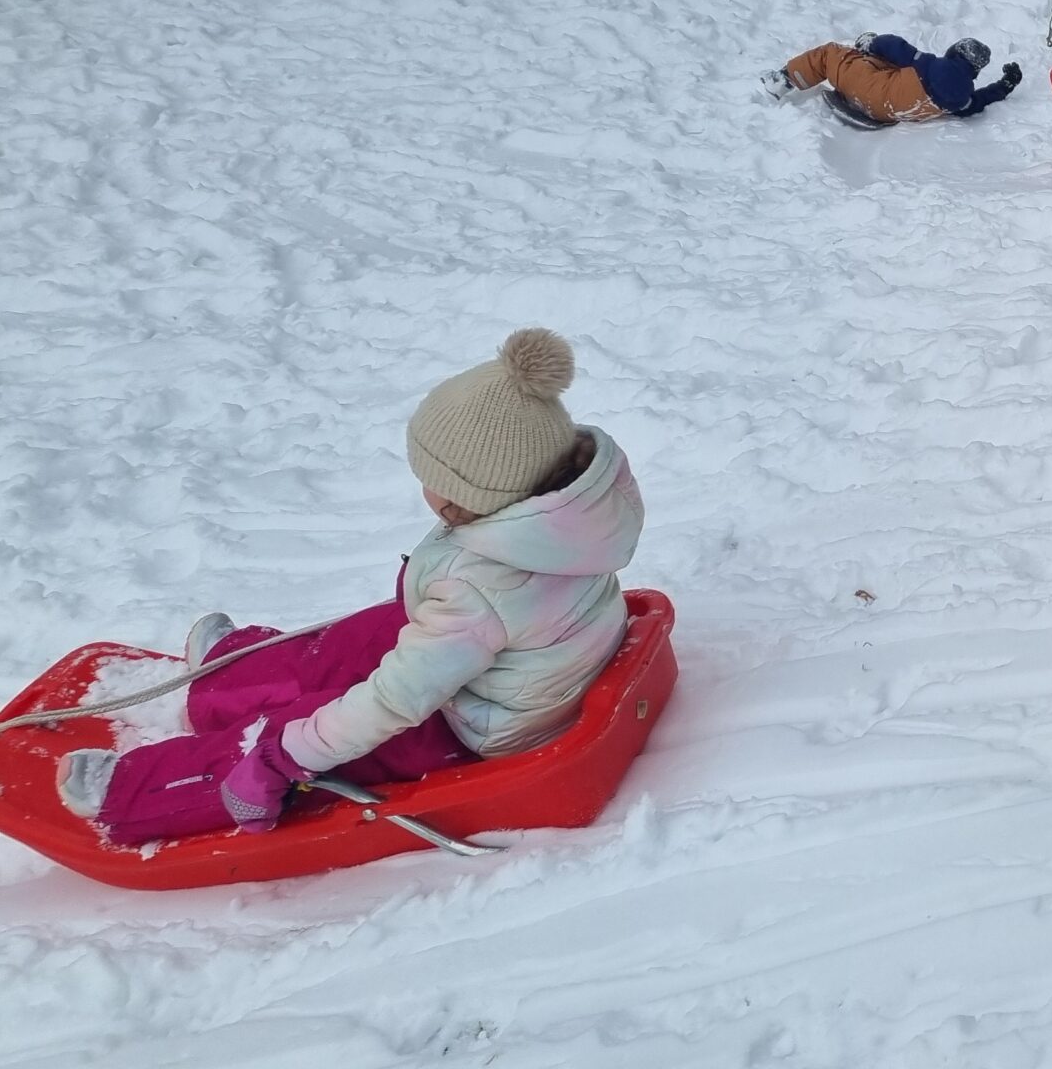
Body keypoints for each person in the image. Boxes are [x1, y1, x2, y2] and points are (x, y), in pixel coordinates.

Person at [55, 330, 646, 844]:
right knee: (358, 640)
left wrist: (286, 756)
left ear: (464, 497)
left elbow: (392, 702)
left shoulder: (480, 588)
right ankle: (230, 675)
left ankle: (137, 791)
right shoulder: (568, 513)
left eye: (431, 478)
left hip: (475, 725)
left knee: (309, 729)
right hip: (512, 657)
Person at [761, 34, 1021, 129]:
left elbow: (898, 48)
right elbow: (979, 102)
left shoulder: (935, 66)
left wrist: (872, 42)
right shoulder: (962, 98)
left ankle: (783, 79)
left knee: (830, 54)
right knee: (898, 74)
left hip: (865, 89)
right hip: (882, 113)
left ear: (956, 52)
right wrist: (1005, 84)